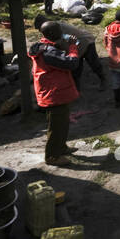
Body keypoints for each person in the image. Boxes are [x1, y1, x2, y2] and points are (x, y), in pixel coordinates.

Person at [30, 22, 81, 163]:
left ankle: (61, 147)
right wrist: (72, 47)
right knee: (56, 127)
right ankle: (52, 156)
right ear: (53, 34)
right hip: (53, 94)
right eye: (59, 30)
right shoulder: (49, 52)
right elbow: (71, 63)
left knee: (63, 123)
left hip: (55, 91)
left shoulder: (45, 46)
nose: (62, 32)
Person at [34, 12, 102, 88]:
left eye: (40, 29)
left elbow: (65, 42)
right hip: (75, 47)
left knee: (94, 64)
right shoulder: (52, 29)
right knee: (76, 69)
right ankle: (76, 89)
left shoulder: (56, 29)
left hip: (86, 43)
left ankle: (103, 80)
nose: (40, 31)